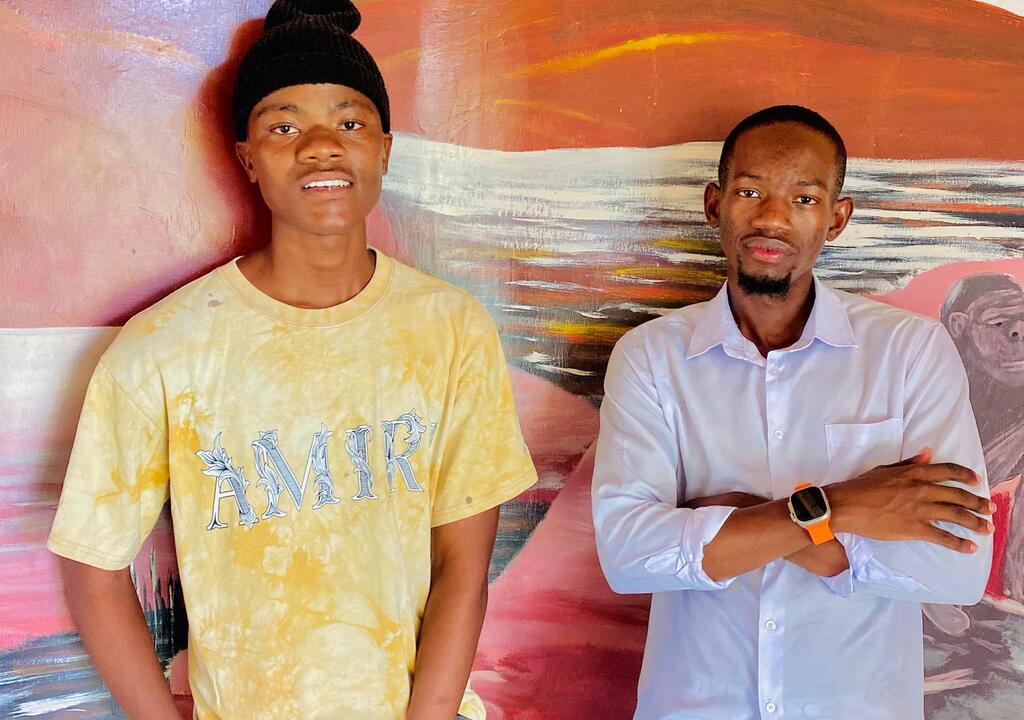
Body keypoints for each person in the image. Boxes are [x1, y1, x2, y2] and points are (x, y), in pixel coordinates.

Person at [47, 2, 536, 718]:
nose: (321, 146)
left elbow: (462, 563)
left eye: (350, 123)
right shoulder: (166, 347)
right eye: (283, 126)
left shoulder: (449, 329)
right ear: (247, 156)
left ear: (385, 149)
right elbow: (92, 564)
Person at [591, 105, 994, 720]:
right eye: (750, 191)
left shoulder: (910, 352)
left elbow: (954, 566)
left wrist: (735, 516)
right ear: (714, 204)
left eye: (804, 199)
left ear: (837, 218)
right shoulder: (650, 357)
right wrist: (847, 506)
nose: (772, 218)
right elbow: (629, 555)